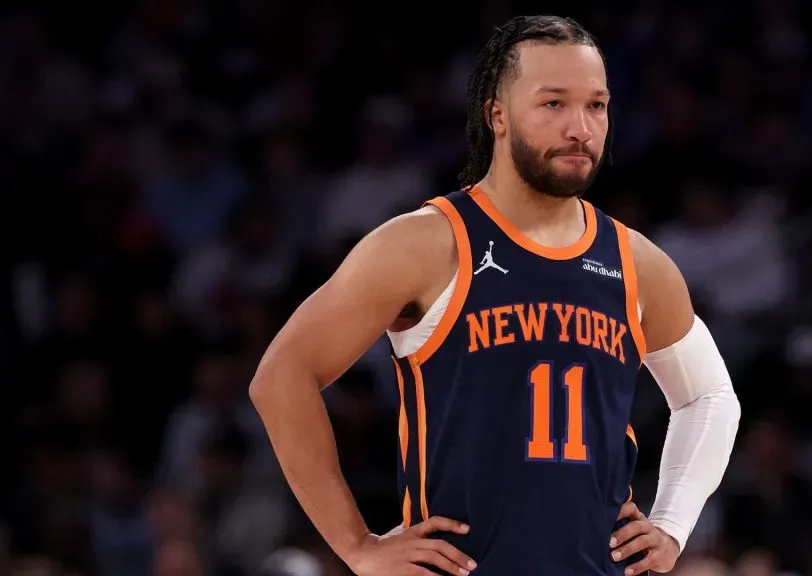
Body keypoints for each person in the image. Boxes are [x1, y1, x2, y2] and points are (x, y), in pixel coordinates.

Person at [249, 15, 741, 576]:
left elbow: (710, 398)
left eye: (596, 105)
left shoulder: (639, 264)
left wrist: (673, 523)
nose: (579, 127)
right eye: (553, 104)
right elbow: (282, 376)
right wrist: (357, 545)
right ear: (497, 116)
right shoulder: (425, 243)